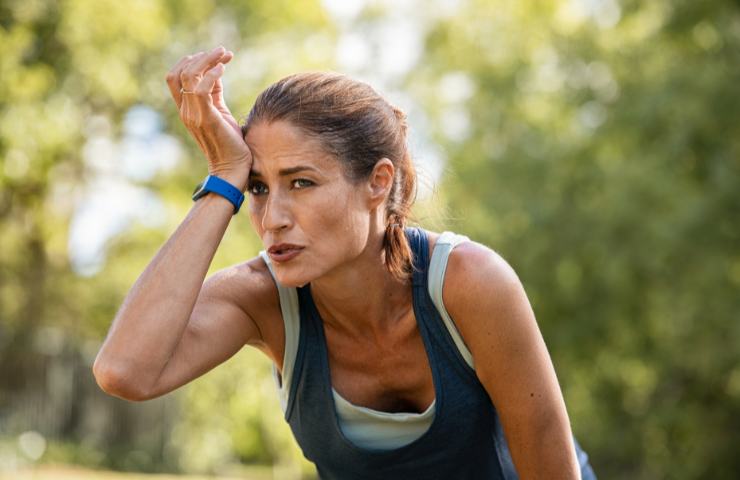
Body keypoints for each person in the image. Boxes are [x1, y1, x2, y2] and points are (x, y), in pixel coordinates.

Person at [93, 45, 597, 479]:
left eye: (302, 182)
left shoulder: (468, 284)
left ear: (378, 182)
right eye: (259, 188)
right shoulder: (263, 300)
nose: (273, 218)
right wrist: (224, 178)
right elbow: (124, 371)